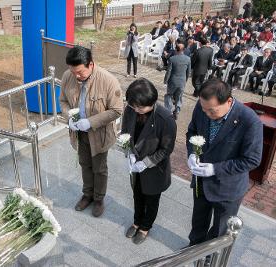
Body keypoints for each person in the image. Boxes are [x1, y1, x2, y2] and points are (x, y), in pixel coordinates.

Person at [186, 79, 262, 248]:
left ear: (229, 101)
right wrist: (191, 153)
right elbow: (192, 131)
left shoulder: (250, 121)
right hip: (201, 181)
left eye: (211, 111)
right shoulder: (203, 106)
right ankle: (194, 248)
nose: (206, 114)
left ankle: (212, 256)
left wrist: (215, 169)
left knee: (220, 229)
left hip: (228, 187)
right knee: (198, 221)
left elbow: (252, 159)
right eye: (204, 109)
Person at [59, 46, 123, 217]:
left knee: (99, 168)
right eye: (73, 72)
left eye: (80, 72)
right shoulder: (68, 76)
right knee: (84, 164)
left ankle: (99, 198)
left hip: (99, 134)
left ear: (91, 65)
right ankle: (87, 195)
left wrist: (91, 122)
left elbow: (117, 109)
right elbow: (63, 101)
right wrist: (69, 117)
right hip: (79, 133)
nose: (76, 76)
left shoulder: (108, 80)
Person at [121, 78, 176, 245]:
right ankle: (137, 221)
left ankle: (145, 226)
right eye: (133, 106)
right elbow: (125, 132)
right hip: (135, 164)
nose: (137, 110)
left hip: (154, 168)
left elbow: (166, 149)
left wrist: (146, 162)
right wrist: (128, 151)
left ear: (152, 102)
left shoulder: (165, 118)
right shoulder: (131, 109)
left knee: (151, 199)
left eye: (141, 107)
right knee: (137, 194)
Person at [164, 44, 191, 120]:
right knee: (179, 97)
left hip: (172, 81)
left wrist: (165, 81)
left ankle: (168, 111)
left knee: (169, 95)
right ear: (184, 50)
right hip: (182, 81)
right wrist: (185, 81)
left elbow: (168, 72)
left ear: (176, 50)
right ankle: (177, 110)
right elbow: (188, 72)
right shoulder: (188, 59)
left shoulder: (172, 59)